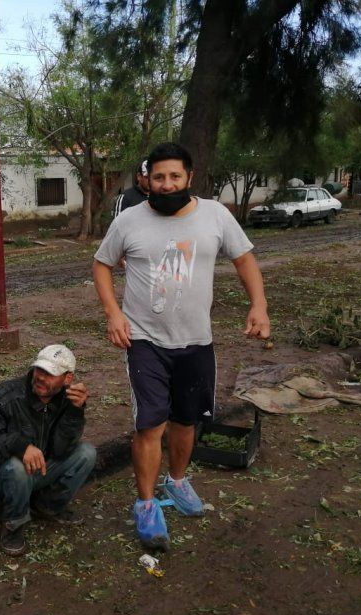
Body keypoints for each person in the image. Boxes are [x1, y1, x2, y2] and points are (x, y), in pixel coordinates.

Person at [92, 141, 270, 551]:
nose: (167, 184)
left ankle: (176, 483)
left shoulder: (216, 215)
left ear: (190, 178)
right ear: (146, 181)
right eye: (158, 177)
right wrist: (113, 314)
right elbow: (102, 265)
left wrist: (258, 305)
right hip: (144, 341)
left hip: (196, 342)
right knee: (150, 424)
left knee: (186, 421)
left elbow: (244, 259)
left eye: (175, 176)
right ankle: (147, 504)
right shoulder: (129, 221)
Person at [0, 345, 97, 556]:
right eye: (39, 370)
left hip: (40, 469)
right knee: (17, 468)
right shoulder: (7, 395)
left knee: (86, 453)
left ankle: (48, 506)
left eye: (50, 374)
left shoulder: (69, 399)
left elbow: (61, 449)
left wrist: (76, 412)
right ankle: (13, 525)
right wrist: (19, 446)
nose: (40, 377)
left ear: (67, 379)